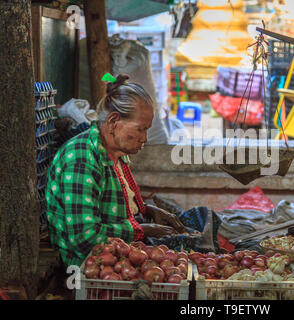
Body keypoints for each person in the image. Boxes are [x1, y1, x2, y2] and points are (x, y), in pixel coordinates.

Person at [46, 74, 195, 267]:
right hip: (87, 263)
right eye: (140, 129)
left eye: (147, 130)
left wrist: (148, 210)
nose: (145, 138)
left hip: (119, 251)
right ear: (113, 121)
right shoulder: (82, 160)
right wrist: (144, 230)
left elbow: (113, 204)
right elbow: (85, 238)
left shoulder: (115, 153)